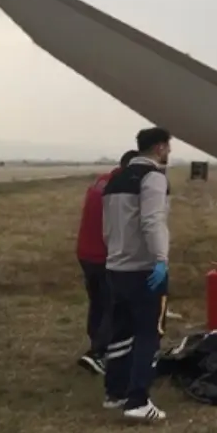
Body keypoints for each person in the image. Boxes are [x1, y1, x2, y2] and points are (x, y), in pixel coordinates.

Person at [101, 127, 173, 421]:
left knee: (121, 332)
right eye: (168, 147)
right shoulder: (153, 177)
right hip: (143, 269)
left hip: (116, 266)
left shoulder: (116, 179)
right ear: (158, 148)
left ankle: (114, 393)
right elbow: (153, 221)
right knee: (148, 334)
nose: (169, 152)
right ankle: (138, 400)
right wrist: (161, 259)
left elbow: (107, 228)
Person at [75, 149, 137, 375]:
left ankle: (96, 345)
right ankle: (99, 354)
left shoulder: (101, 180)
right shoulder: (122, 188)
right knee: (113, 305)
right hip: (105, 256)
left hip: (85, 253)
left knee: (98, 302)